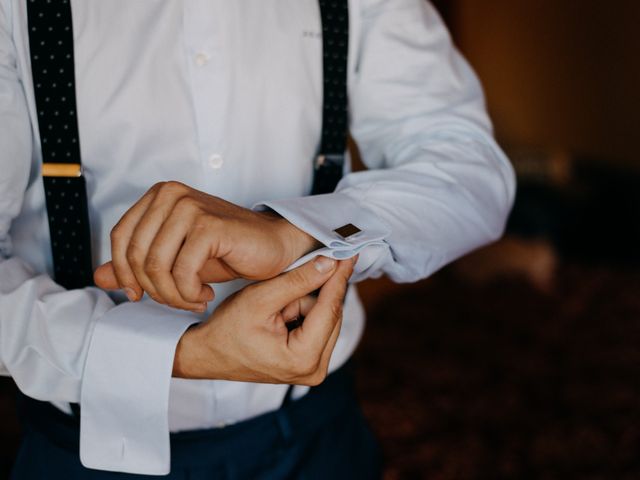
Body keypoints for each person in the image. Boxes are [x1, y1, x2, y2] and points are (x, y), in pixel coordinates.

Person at [0, 0, 515, 478]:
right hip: (85, 450)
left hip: (318, 434)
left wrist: (295, 234)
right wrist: (173, 355)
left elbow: (470, 168)